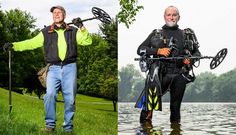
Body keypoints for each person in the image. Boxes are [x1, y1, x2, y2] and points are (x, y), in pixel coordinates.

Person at [3, 5, 92, 132]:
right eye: (54, 12)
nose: (56, 14)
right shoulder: (46, 32)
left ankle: (68, 127)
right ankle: (50, 125)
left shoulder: (73, 31)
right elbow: (31, 42)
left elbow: (88, 41)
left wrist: (82, 27)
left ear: (64, 15)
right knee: (49, 95)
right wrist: (14, 45)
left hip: (70, 67)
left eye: (59, 12)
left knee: (70, 98)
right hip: (53, 68)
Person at [135, 6, 201, 128]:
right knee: (148, 107)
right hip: (159, 75)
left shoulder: (186, 34)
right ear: (164, 17)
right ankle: (144, 129)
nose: (172, 17)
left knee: (175, 109)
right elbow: (140, 49)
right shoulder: (156, 33)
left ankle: (175, 130)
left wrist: (190, 60)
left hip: (180, 75)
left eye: (174, 15)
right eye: (169, 15)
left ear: (179, 17)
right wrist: (158, 50)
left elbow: (198, 54)